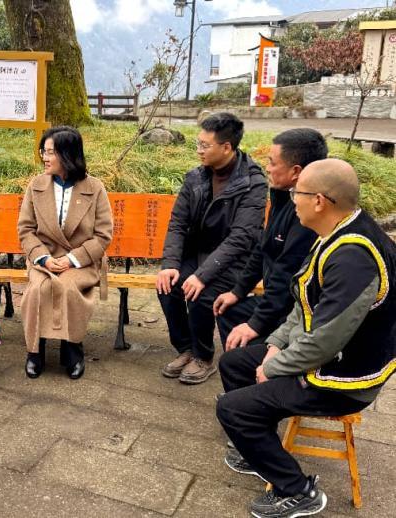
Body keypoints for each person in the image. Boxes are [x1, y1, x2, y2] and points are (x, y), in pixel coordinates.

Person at [216, 159, 396, 518]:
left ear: (319, 201)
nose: (291, 198)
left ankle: (298, 491)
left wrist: (274, 367)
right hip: (327, 355)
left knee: (232, 409)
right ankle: (258, 447)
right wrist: (276, 344)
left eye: (297, 192)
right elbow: (304, 303)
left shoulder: (353, 258)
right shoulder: (337, 231)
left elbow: (325, 341)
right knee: (234, 363)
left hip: (345, 378)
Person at [157, 112, 267, 384]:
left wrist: (202, 275)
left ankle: (203, 357)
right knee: (168, 286)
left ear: (226, 147)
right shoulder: (196, 177)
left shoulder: (253, 182)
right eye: (198, 143)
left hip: (236, 261)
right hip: (198, 253)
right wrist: (170, 264)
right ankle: (186, 348)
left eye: (205, 145)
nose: (199, 150)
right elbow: (178, 223)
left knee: (201, 295)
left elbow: (241, 237)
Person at [213, 129, 328, 351]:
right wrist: (237, 291)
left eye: (272, 162)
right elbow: (263, 248)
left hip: (297, 311)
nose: (267, 168)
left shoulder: (308, 212)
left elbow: (286, 274)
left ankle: (259, 362)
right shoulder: (283, 196)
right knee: (227, 309)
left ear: (296, 171)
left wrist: (255, 324)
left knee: (237, 358)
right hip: (277, 299)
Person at [18, 126, 113, 380]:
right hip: (44, 259)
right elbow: (25, 230)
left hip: (81, 261)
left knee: (68, 288)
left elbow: (103, 235)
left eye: (50, 152)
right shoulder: (36, 186)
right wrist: (44, 258)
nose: (44, 157)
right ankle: (34, 351)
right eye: (44, 151)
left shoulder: (95, 188)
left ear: (68, 154)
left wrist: (71, 260)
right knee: (37, 290)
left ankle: (72, 349)